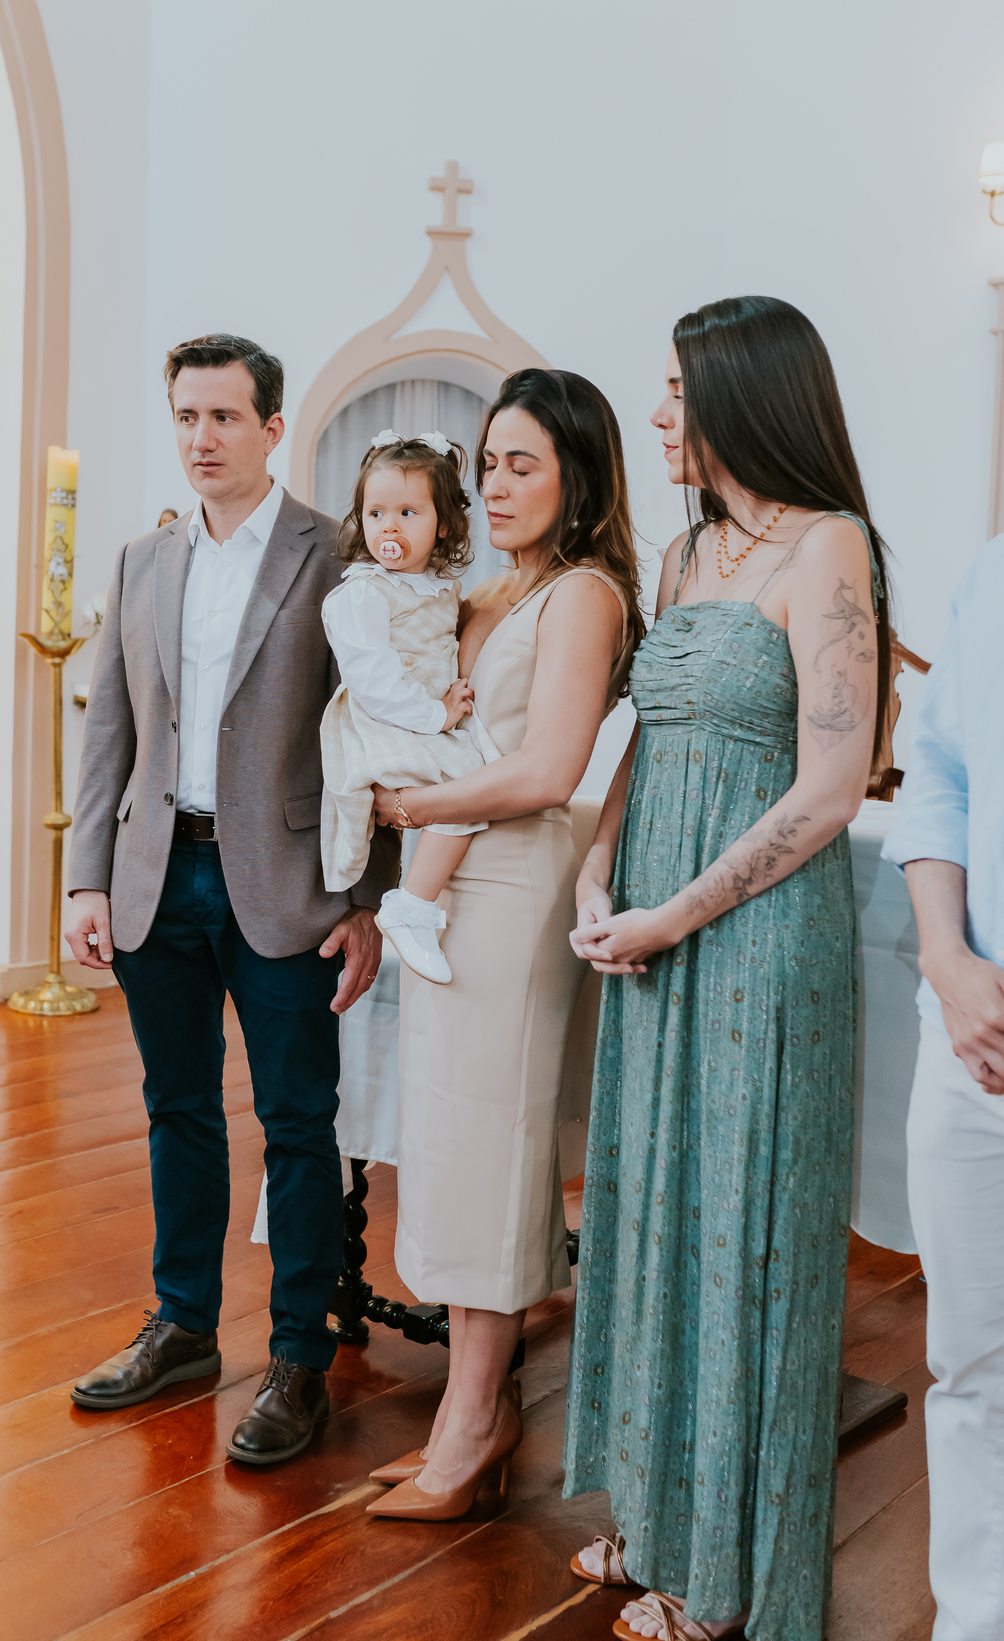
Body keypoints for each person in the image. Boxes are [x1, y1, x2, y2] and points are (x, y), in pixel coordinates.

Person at [563, 296, 890, 1641]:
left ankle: (727, 1572)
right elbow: (648, 732)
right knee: (653, 1209)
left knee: (740, 1226)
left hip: (758, 935)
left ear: (746, 398)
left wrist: (675, 914)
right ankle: (655, 1517)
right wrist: (598, 868)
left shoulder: (830, 547)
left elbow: (830, 788)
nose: (656, 416)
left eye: (677, 393)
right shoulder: (687, 553)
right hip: (651, 915)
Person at [64, 333, 398, 1468]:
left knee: (299, 1123)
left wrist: (367, 897)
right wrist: (88, 876)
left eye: (223, 418)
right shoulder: (141, 560)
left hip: (289, 886)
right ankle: (184, 1327)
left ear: (271, 428)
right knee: (178, 1108)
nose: (200, 439)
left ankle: (300, 1354)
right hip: (156, 879)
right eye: (185, 417)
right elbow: (110, 731)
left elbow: (374, 733)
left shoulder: (336, 555)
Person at [361, 368, 644, 1521]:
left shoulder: (582, 595)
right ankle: (476, 1407)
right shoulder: (488, 591)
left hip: (515, 886)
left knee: (490, 1142)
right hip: (453, 887)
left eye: (524, 462)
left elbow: (548, 768)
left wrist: (412, 807)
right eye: (488, 463)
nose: (498, 483)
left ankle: (473, 1423)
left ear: (579, 473)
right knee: (451, 1139)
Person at [881, 538, 1004, 1641]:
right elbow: (942, 782)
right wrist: (946, 958)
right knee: (970, 1358)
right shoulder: (995, 575)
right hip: (970, 1030)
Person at [321, 428, 500, 982]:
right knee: (468, 789)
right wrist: (437, 715)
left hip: (426, 718)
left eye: (407, 512)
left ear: (443, 524)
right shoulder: (362, 592)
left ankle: (417, 899)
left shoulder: (441, 587)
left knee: (479, 781)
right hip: (388, 721)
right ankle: (413, 904)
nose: (389, 528)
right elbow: (373, 683)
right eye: (375, 514)